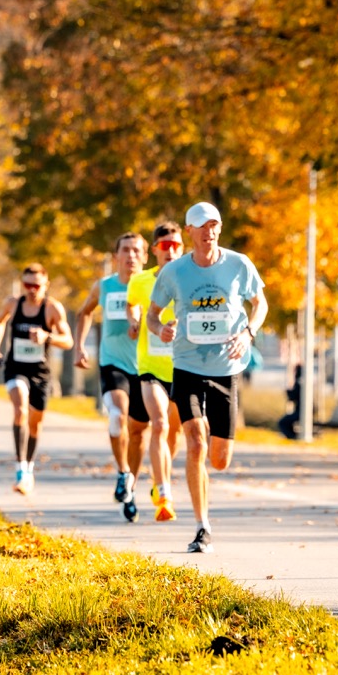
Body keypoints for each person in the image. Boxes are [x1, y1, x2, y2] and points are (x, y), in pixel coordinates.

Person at [145, 202, 267, 554]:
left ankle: (204, 514)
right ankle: (202, 526)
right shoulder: (174, 273)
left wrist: (248, 332)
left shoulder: (238, 264)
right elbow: (154, 315)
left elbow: (260, 303)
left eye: (214, 225)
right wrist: (161, 329)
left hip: (227, 368)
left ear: (219, 228)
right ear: (189, 232)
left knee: (219, 459)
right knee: (195, 442)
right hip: (186, 365)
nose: (208, 231)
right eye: (201, 226)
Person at [74, 233, 150, 521]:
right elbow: (83, 313)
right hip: (113, 362)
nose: (130, 256)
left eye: (136, 251)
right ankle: (122, 472)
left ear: (144, 257)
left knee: (139, 432)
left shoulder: (153, 286)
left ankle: (131, 486)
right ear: (116, 256)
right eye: (125, 250)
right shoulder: (104, 286)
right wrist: (79, 346)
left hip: (145, 366)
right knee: (118, 414)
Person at [0, 263, 75, 494]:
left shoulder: (52, 309)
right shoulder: (13, 303)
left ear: (45, 285)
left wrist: (47, 336)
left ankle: (28, 468)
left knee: (35, 423)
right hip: (15, 368)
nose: (31, 289)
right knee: (20, 407)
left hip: (40, 372)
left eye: (36, 285)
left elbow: (68, 340)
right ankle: (20, 468)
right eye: (27, 284)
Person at [127, 222, 185, 522]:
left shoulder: (190, 278)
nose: (171, 250)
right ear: (155, 250)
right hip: (149, 367)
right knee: (159, 423)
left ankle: (157, 476)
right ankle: (164, 494)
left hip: (182, 367)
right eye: (165, 246)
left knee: (174, 433)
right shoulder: (139, 281)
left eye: (176, 245)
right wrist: (135, 321)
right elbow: (132, 304)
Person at [277, 364, 303, 440]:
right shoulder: (304, 383)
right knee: (286, 421)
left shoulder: (299, 383)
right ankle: (293, 436)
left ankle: (292, 436)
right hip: (301, 411)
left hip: (301, 412)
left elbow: (293, 397)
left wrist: (288, 392)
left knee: (282, 422)